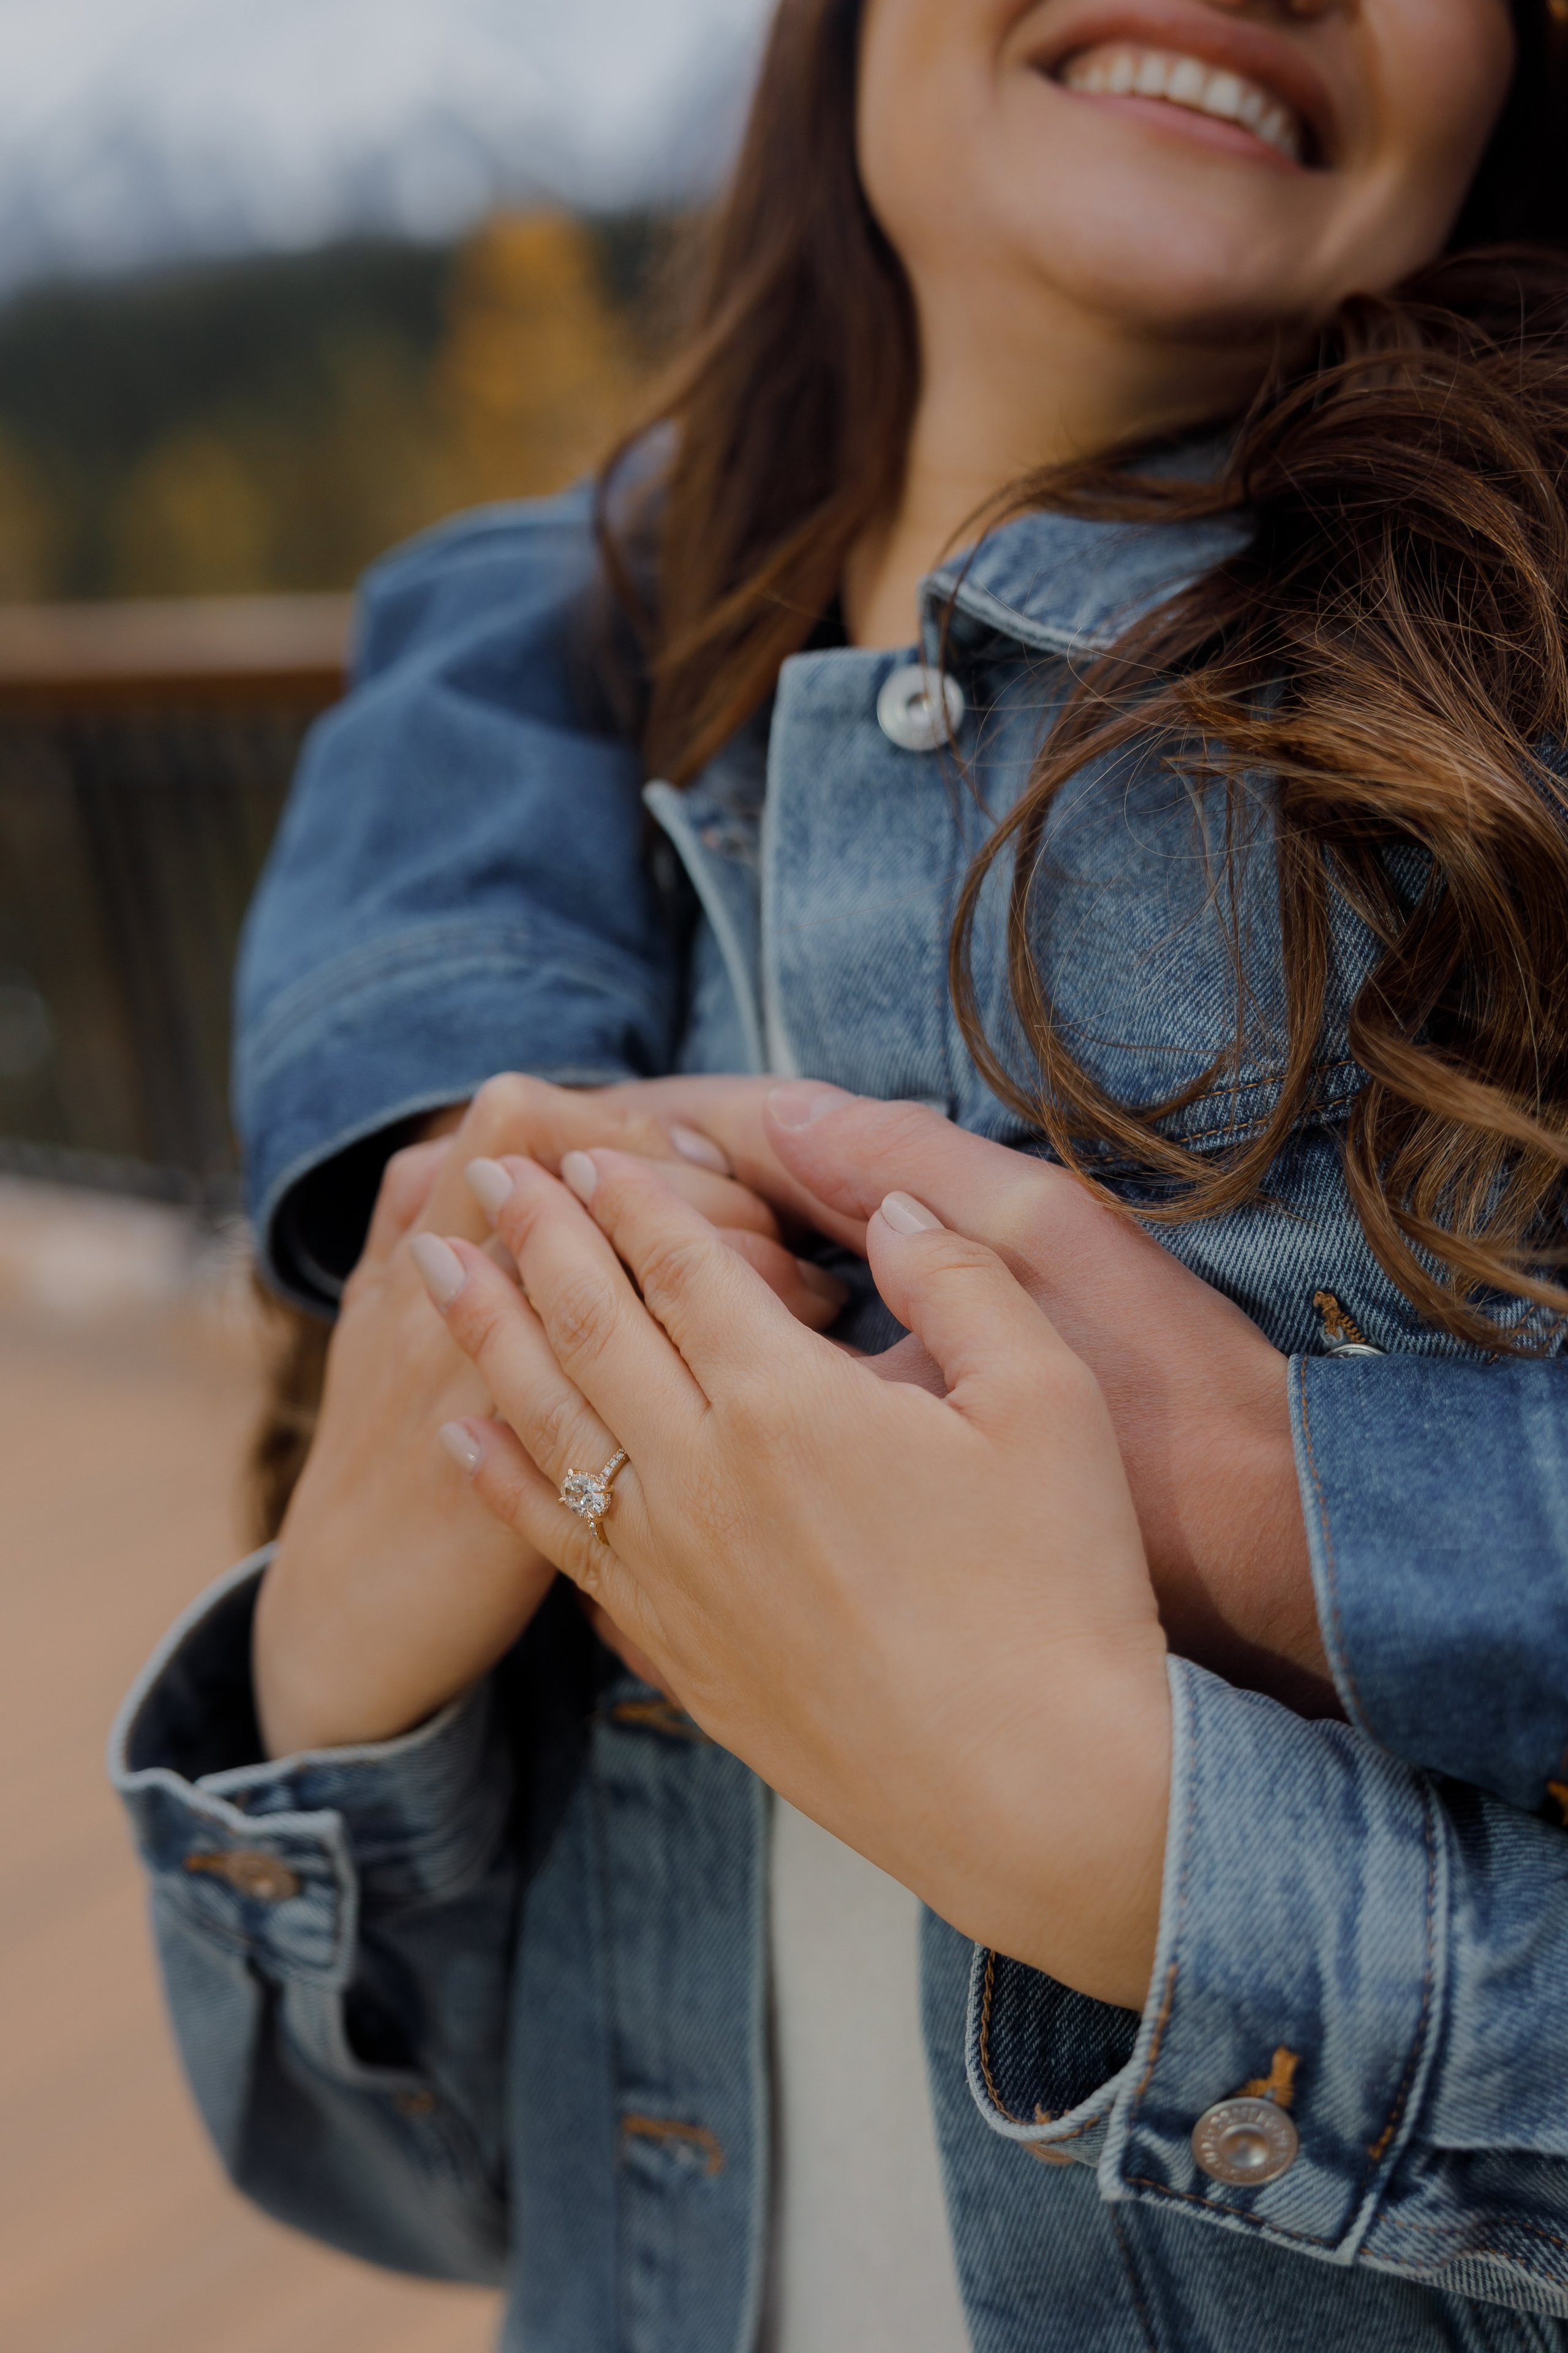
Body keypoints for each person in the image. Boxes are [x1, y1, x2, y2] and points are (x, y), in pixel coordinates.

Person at [110, 0, 1568, 2344]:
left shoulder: (1513, 744)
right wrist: (335, 1673)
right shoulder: (538, 790)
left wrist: (1264, 1606)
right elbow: (428, 2179)